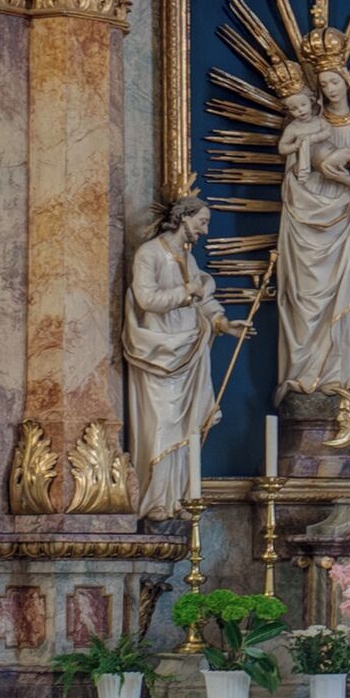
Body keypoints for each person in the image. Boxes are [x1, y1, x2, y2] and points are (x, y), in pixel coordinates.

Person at [274, 48, 350, 399]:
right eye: (323, 83)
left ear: (346, 81)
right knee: (307, 296)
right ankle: (306, 374)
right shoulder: (304, 122)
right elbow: (294, 167)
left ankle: (343, 375)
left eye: (334, 80)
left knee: (346, 292)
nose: (330, 88)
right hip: (307, 213)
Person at [120, 187, 228, 513]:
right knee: (162, 423)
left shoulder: (188, 257)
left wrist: (223, 322)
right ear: (183, 218)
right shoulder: (149, 254)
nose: (205, 230)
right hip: (158, 351)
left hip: (187, 349)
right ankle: (155, 500)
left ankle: (176, 498)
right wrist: (186, 291)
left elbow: (202, 302)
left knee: (184, 429)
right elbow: (146, 299)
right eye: (203, 221)